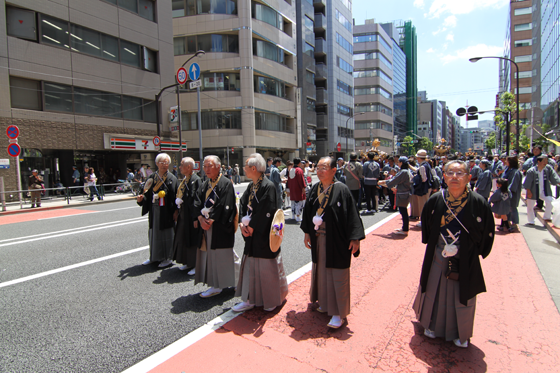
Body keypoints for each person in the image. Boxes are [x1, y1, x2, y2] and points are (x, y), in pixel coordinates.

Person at [413, 160, 494, 348]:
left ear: (468, 177)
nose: (454, 177)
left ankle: (461, 332)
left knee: (462, 294)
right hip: (439, 253)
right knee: (434, 288)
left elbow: (487, 230)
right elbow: (427, 223)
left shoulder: (478, 202)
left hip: (466, 255)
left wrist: (475, 252)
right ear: (444, 176)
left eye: (459, 173)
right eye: (450, 173)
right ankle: (431, 325)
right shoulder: (436, 199)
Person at [301, 156, 365, 328]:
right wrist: (307, 232)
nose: (319, 171)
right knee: (321, 271)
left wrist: (355, 237)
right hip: (319, 238)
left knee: (337, 274)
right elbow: (308, 212)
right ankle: (324, 303)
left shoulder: (342, 189)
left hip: (337, 239)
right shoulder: (315, 188)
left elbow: (352, 214)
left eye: (324, 167)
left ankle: (338, 313)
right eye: (318, 167)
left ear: (334, 171)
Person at [233, 153, 289, 312]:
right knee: (251, 266)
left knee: (266, 268)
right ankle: (250, 299)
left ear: (253, 168)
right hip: (251, 232)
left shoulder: (268, 186)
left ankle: (271, 300)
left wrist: (251, 226)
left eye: (246, 166)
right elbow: (243, 203)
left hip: (263, 234)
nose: (244, 169)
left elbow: (267, 210)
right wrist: (243, 222)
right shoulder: (251, 186)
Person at [194, 155, 240, 298]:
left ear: (218, 167)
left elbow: (226, 205)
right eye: (205, 166)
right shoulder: (205, 183)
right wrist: (200, 218)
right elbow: (196, 201)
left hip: (220, 225)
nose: (206, 169)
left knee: (224, 254)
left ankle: (237, 281)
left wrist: (211, 219)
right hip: (207, 225)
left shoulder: (225, 183)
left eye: (210, 166)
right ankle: (217, 285)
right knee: (212, 255)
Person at [137, 153, 178, 268]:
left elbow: (175, 196)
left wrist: (176, 211)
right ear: (156, 164)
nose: (164, 165)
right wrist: (141, 199)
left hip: (167, 211)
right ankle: (154, 257)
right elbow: (146, 193)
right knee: (154, 233)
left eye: (166, 162)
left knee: (167, 233)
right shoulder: (151, 178)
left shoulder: (172, 178)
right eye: (162, 162)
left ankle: (167, 258)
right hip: (154, 210)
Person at [172, 157, 202, 274]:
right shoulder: (185, 180)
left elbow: (197, 199)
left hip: (191, 215)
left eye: (182, 165)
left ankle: (195, 264)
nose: (180, 167)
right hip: (183, 213)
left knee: (193, 239)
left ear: (189, 167)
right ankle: (187, 262)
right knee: (183, 237)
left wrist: (196, 217)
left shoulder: (196, 180)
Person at [379, 156, 413, 236]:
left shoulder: (404, 171)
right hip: (404, 193)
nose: (398, 164)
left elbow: (394, 180)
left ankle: (405, 229)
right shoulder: (406, 171)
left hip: (403, 194)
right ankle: (404, 228)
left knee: (403, 211)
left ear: (401, 163)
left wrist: (382, 182)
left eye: (398, 162)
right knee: (403, 211)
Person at [523, 155, 560, 224]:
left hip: (544, 190)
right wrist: (529, 191)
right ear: (538, 161)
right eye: (544, 161)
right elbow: (527, 182)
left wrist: (558, 181)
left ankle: (547, 216)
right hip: (533, 190)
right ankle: (531, 221)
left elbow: (554, 176)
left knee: (550, 201)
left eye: (546, 161)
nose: (546, 162)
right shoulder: (531, 171)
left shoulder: (548, 168)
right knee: (530, 206)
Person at [410, 150, 432, 223]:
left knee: (423, 205)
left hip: (423, 188)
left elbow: (424, 179)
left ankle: (423, 221)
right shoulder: (426, 164)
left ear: (419, 158)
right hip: (427, 187)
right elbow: (417, 170)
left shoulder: (422, 166)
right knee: (425, 204)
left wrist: (417, 178)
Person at [503, 156, 522, 232]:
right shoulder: (507, 170)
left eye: (506, 161)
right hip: (506, 191)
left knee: (513, 208)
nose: (505, 162)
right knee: (508, 207)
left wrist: (509, 190)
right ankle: (508, 222)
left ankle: (515, 224)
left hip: (512, 192)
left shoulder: (516, 172)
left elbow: (514, 184)